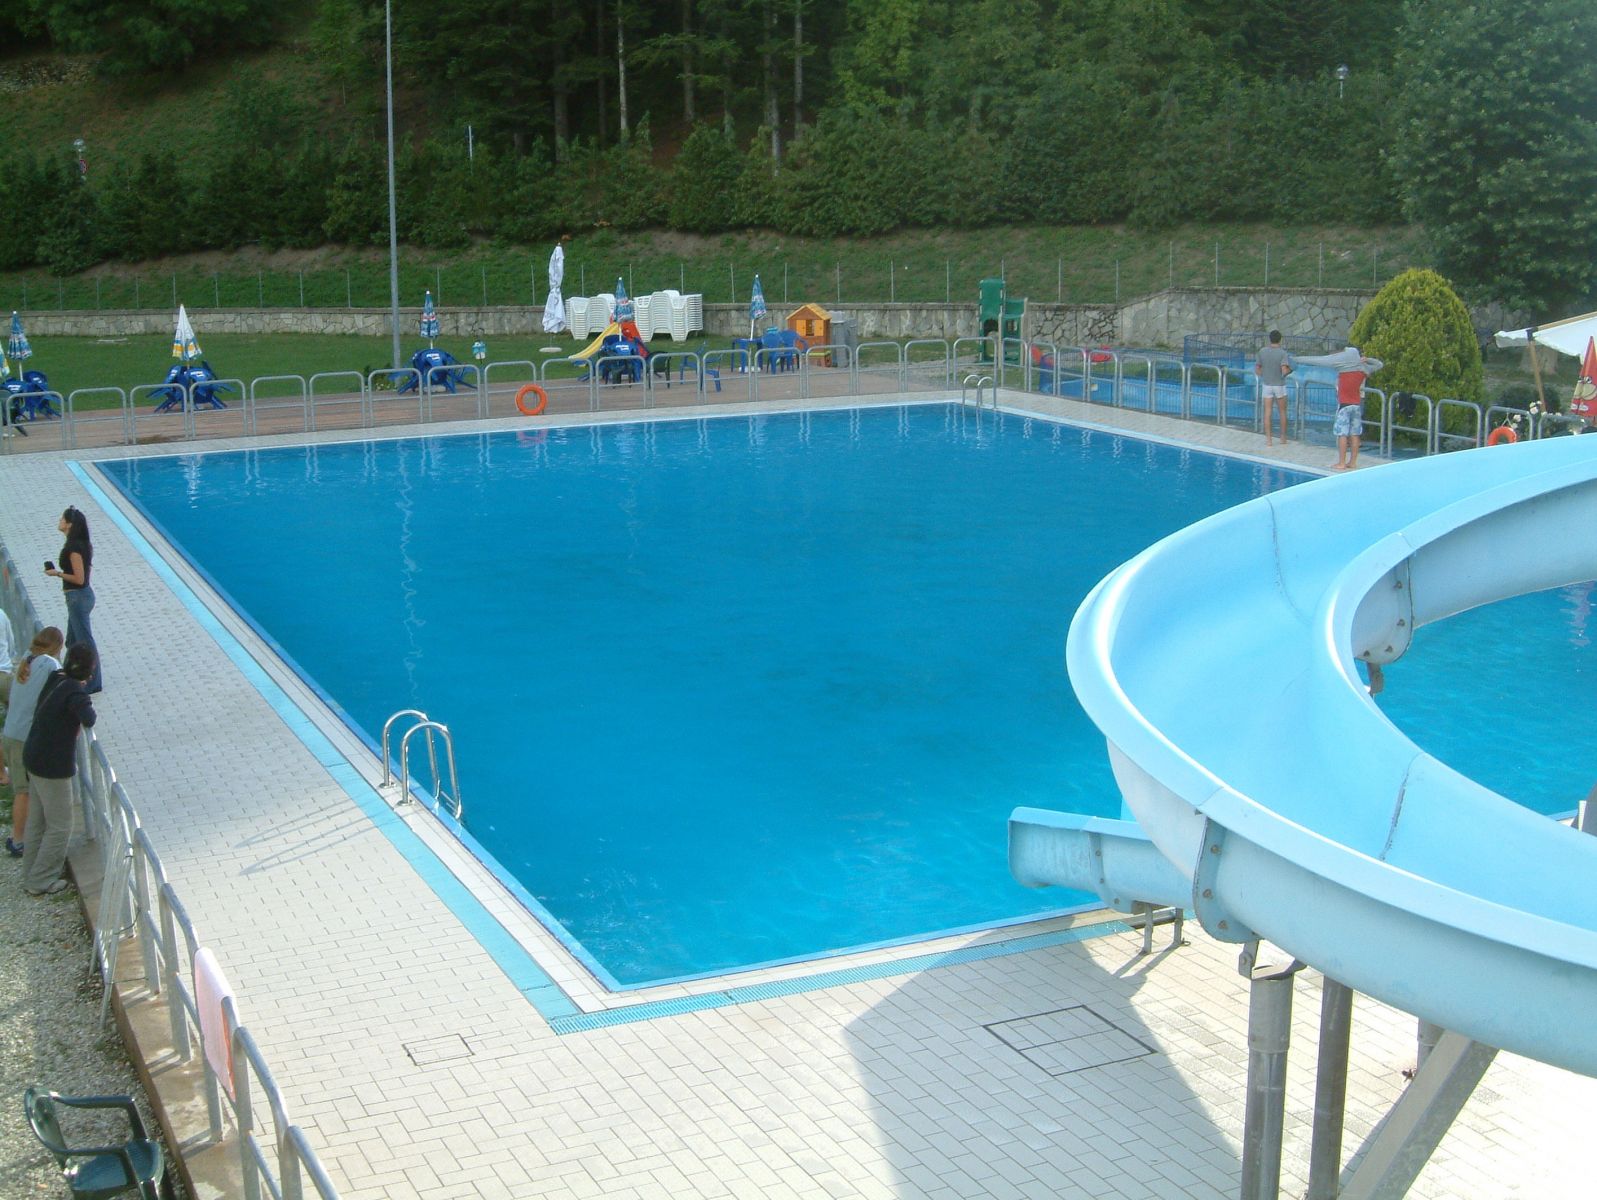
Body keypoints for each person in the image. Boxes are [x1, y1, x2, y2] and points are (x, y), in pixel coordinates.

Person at [20, 642, 97, 895]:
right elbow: (89, 718)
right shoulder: (75, 692)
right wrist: (82, 690)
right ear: (89, 671)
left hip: (33, 754)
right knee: (61, 825)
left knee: (37, 820)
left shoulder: (56, 677)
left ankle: (31, 872)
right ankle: (41, 879)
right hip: (52, 766)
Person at [2, 626, 65, 858]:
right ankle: (17, 839)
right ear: (59, 646)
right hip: (23, 737)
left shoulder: (28, 659)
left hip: (11, 732)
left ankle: (25, 836)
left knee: (25, 790)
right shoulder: (50, 665)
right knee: (24, 792)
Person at [45, 505, 100, 693]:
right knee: (72, 640)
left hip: (77, 598)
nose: (59, 521)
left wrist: (57, 573)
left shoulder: (73, 548)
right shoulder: (81, 544)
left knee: (85, 642)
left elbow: (79, 579)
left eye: (62, 518)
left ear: (69, 524)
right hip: (81, 597)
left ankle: (92, 682)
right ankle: (70, 677)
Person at [1333, 354, 1385, 470]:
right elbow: (1379, 364)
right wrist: (1367, 360)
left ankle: (1341, 462)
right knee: (1355, 434)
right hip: (1356, 405)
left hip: (1344, 405)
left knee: (1342, 434)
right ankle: (1353, 462)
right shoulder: (1362, 372)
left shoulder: (1344, 372)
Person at [1254, 330, 1293, 446]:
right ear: (1280, 340)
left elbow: (1257, 370)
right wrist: (1291, 370)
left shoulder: (1262, 352)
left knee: (1267, 412)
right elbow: (1284, 371)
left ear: (1269, 339)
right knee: (1282, 412)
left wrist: (1265, 375)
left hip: (1267, 385)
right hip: (1279, 385)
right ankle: (1283, 438)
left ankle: (1269, 440)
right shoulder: (1283, 353)